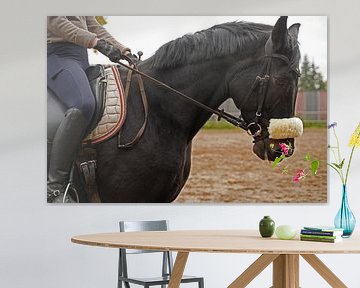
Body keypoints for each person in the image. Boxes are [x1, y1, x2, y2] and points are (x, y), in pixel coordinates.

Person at [47, 16, 133, 203]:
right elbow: (56, 22)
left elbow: (94, 26)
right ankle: (54, 188)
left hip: (80, 57)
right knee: (83, 103)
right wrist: (96, 43)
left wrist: (121, 49)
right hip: (57, 55)